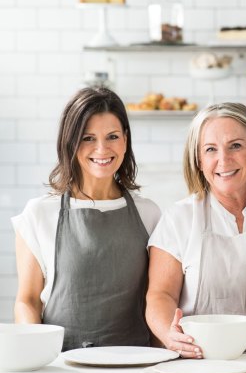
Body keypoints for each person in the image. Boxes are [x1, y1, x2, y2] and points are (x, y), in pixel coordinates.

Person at [12, 87, 161, 351]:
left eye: (112, 136)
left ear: (125, 141)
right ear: (70, 142)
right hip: (62, 364)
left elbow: (158, 298)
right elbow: (28, 301)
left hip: (135, 362)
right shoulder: (39, 214)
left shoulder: (149, 214)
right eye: (88, 138)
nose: (101, 149)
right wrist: (35, 353)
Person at [145, 103, 246, 358]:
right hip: (202, 363)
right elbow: (160, 295)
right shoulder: (179, 218)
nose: (223, 160)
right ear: (199, 160)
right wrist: (171, 336)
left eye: (235, 145)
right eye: (210, 149)